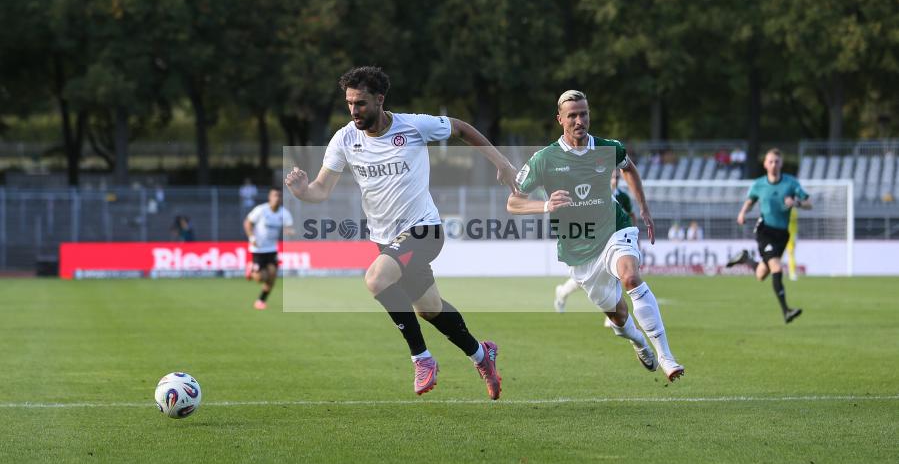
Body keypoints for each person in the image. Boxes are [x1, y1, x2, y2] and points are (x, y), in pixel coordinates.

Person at [284, 66, 516, 399]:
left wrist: (502, 163)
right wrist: (302, 192)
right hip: (387, 240)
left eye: (360, 103)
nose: (353, 111)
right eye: (349, 103)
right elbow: (321, 189)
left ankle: (422, 358)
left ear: (380, 99)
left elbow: (461, 129)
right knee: (430, 309)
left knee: (376, 279)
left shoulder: (413, 126)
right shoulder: (345, 139)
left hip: (424, 230)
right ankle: (482, 354)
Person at [509, 89, 685, 382]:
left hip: (614, 229)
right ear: (560, 119)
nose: (579, 121)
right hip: (579, 249)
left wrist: (643, 208)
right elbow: (513, 203)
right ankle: (638, 341)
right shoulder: (544, 159)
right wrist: (546, 205)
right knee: (618, 317)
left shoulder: (609, 148)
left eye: (584, 114)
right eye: (572, 116)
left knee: (630, 277)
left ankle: (667, 356)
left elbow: (629, 169)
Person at [726, 148, 811, 323]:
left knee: (761, 275)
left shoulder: (791, 183)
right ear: (765, 164)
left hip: (782, 234)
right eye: (770, 161)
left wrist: (796, 203)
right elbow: (750, 201)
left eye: (776, 161)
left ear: (781, 163)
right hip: (765, 231)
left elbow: (809, 203)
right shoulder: (759, 184)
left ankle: (745, 259)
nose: (773, 165)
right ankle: (786, 310)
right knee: (777, 268)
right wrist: (742, 213)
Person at [554, 169, 637, 313]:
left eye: (617, 177)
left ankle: (613, 316)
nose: (614, 180)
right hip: (592, 240)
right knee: (584, 280)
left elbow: (631, 215)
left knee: (615, 273)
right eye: (612, 177)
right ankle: (562, 293)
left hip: (614, 238)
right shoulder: (592, 192)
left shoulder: (623, 197)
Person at [244, 188, 294, 310]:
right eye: (274, 195)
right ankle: (251, 269)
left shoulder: (284, 213)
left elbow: (288, 226)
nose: (277, 198)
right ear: (269, 197)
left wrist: (289, 231)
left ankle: (261, 301)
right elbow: (247, 223)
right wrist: (252, 237)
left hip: (271, 249)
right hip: (258, 249)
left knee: (272, 276)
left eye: (279, 196)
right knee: (260, 278)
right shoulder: (261, 210)